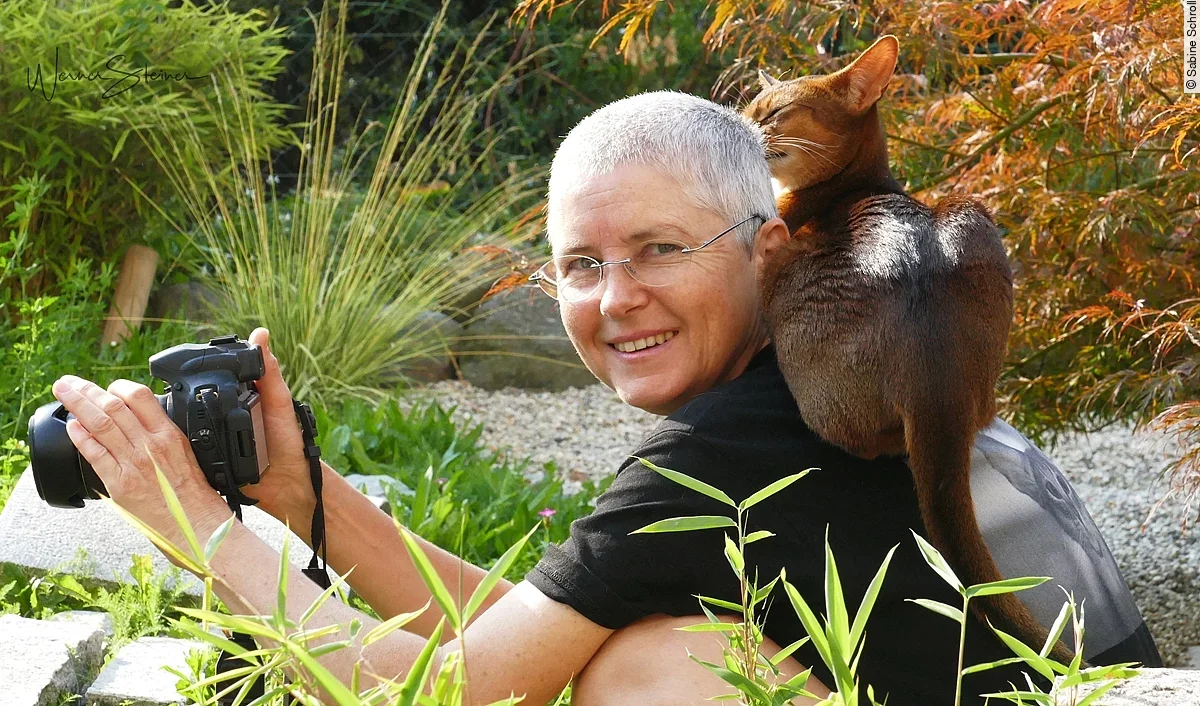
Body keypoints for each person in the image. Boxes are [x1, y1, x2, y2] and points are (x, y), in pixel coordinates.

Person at [50, 91, 1159, 706]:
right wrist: (301, 494)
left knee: (653, 674)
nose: (616, 299)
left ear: (768, 248)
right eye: (581, 265)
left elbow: (446, 696)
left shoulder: (740, 449)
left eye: (661, 249)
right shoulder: (847, 381)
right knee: (626, 652)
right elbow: (518, 640)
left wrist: (198, 530)